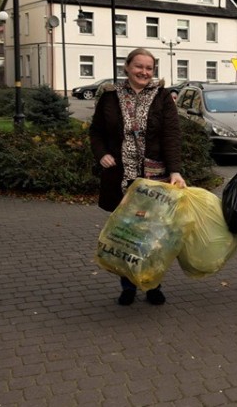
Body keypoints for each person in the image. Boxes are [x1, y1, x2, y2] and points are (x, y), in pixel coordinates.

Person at [89, 47, 187, 306]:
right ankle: (128, 285)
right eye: (139, 66)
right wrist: (101, 154)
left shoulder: (162, 97)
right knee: (125, 235)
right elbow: (96, 131)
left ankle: (153, 284)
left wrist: (175, 170)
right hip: (121, 177)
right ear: (127, 67)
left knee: (153, 235)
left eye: (149, 68)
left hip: (154, 178)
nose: (144, 72)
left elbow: (171, 136)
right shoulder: (109, 96)